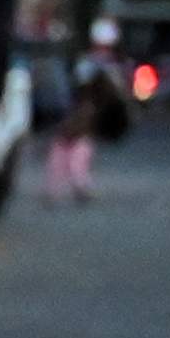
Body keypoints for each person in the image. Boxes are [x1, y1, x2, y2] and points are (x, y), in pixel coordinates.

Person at [49, 18, 133, 202]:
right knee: (69, 145)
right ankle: (63, 185)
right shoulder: (92, 64)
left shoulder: (109, 66)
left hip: (90, 112)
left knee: (77, 147)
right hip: (83, 110)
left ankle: (72, 183)